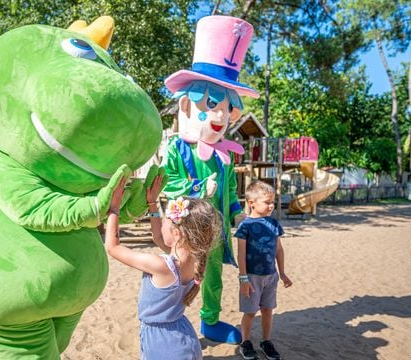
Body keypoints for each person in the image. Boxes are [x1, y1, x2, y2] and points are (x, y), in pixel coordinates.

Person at [162, 14, 259, 344]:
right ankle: (169, 321)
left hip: (216, 230)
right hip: (185, 226)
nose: (219, 116)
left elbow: (230, 189)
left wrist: (236, 212)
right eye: (210, 106)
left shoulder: (226, 155)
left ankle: (210, 321)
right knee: (179, 272)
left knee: (213, 276)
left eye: (225, 108)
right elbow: (168, 183)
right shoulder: (177, 148)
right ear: (187, 104)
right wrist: (198, 188)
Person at [104, 175, 220, 360]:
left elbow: (112, 247)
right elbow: (158, 237)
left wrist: (114, 208)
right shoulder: (194, 258)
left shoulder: (162, 266)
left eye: (165, 221)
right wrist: (152, 204)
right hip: (182, 337)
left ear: (176, 233)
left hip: (163, 344)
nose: (161, 226)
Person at [234, 181, 293, 360]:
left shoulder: (274, 224)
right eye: (267, 202)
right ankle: (245, 342)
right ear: (251, 203)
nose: (271, 205)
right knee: (250, 312)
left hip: (271, 276)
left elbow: (279, 250)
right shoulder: (245, 226)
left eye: (272, 202)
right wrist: (243, 279)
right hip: (251, 277)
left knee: (268, 310)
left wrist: (282, 273)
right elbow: (241, 254)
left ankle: (266, 341)